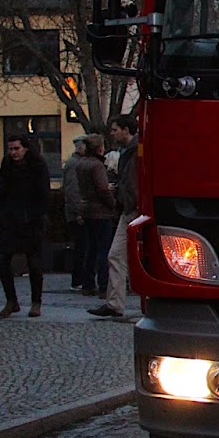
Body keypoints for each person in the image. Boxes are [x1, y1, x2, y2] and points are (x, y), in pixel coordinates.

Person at [0, 135, 51, 318]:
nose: (13, 153)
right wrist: (1, 214)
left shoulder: (37, 165)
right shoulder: (7, 165)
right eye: (10, 149)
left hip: (30, 221)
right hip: (9, 220)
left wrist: (33, 215)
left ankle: (36, 301)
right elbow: (0, 191)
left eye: (16, 149)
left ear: (25, 148)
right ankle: (11, 301)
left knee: (34, 263)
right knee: (2, 260)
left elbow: (43, 194)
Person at [89, 114, 138, 320]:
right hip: (129, 209)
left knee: (118, 255)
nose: (112, 133)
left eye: (115, 129)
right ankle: (114, 303)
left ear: (126, 130)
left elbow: (135, 182)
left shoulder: (135, 151)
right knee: (115, 255)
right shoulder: (130, 151)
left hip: (133, 209)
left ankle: (116, 303)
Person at [75, 133, 117, 296]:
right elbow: (102, 189)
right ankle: (104, 284)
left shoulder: (81, 163)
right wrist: (112, 202)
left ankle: (88, 282)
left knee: (91, 248)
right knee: (103, 249)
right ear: (100, 148)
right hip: (100, 211)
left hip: (87, 209)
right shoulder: (97, 166)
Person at [61, 137, 88, 291]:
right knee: (81, 247)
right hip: (76, 213)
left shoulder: (76, 163)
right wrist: (79, 212)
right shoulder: (74, 165)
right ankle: (78, 280)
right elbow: (72, 190)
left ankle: (80, 279)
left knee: (82, 246)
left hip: (76, 211)